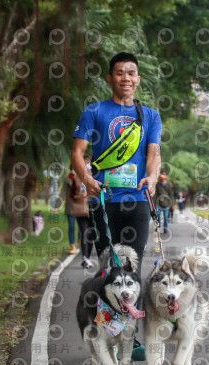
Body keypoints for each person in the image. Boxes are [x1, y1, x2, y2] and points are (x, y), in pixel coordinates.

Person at [71, 51, 162, 275]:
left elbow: (154, 154)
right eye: (120, 73)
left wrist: (152, 177)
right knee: (108, 269)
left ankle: (133, 311)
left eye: (131, 73)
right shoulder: (94, 111)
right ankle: (105, 312)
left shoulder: (150, 116)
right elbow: (77, 152)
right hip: (103, 199)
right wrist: (88, 180)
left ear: (138, 79)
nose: (126, 78)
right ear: (110, 78)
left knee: (133, 268)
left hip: (139, 199)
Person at [70, 155, 95, 268]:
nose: (87, 165)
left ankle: (88, 256)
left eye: (88, 163)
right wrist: (78, 195)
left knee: (91, 234)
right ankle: (85, 257)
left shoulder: (96, 177)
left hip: (93, 209)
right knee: (84, 232)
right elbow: (71, 194)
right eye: (85, 163)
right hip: (80, 208)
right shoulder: (76, 177)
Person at [60, 171, 78, 254]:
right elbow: (62, 193)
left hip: (81, 207)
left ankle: (80, 242)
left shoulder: (84, 175)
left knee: (82, 227)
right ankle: (72, 246)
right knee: (71, 227)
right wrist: (57, 205)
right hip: (70, 206)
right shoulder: (67, 179)